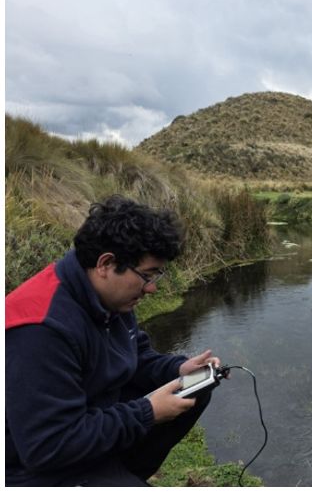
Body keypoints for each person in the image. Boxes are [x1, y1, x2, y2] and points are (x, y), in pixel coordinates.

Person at [6, 195, 223, 486]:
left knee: (193, 390)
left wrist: (177, 369)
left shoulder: (109, 296)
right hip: (28, 467)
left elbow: (134, 355)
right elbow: (48, 446)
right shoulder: (40, 328)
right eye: (147, 275)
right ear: (106, 263)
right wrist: (147, 413)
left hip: (86, 418)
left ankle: (122, 474)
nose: (152, 288)